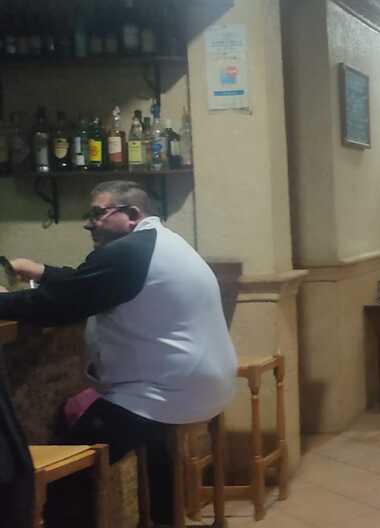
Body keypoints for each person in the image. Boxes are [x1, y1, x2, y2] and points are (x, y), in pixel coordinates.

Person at [0, 181, 237, 526]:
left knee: (71, 460)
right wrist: (43, 271)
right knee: (152, 442)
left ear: (132, 214)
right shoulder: (156, 243)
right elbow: (88, 282)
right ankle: (162, 519)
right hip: (200, 385)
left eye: (98, 213)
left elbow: (57, 306)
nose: (89, 223)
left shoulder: (127, 253)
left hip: (166, 391)